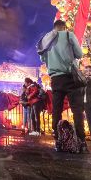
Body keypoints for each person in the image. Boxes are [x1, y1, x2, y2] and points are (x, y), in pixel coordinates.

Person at [37, 19, 88, 153]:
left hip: (55, 79)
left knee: (56, 111)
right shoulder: (68, 35)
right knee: (77, 110)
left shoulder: (46, 39)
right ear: (64, 27)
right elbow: (79, 54)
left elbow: (42, 59)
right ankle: (81, 142)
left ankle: (58, 141)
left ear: (54, 28)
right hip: (70, 77)